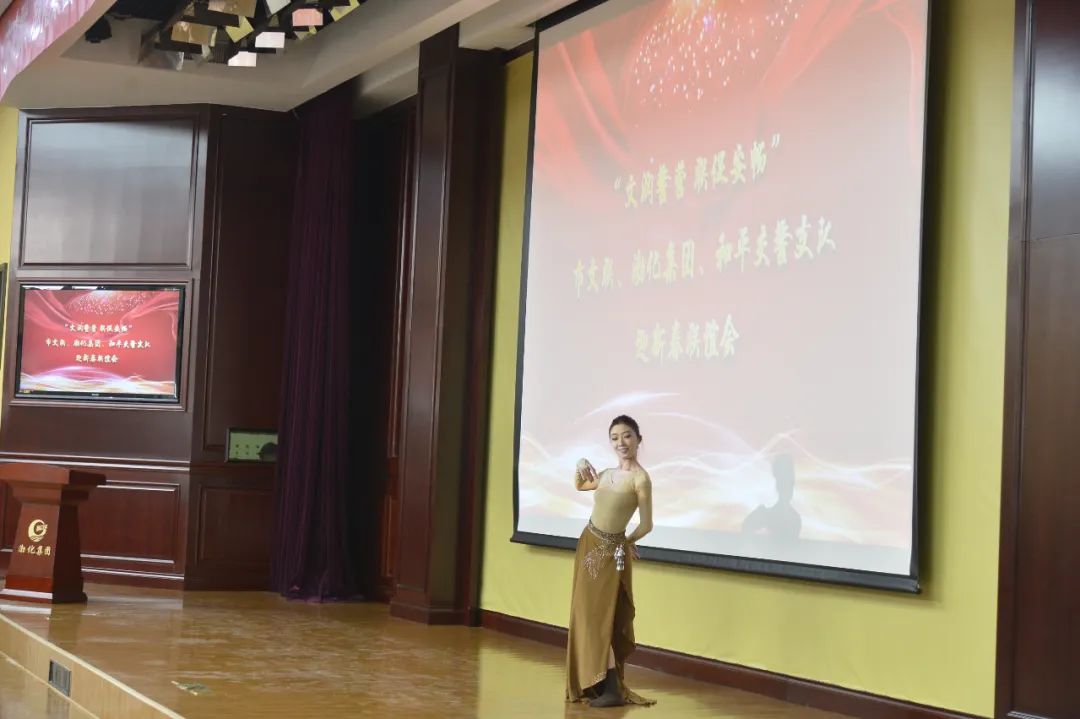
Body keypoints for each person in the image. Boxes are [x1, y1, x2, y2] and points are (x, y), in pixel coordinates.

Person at [565, 414, 656, 708]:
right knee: (585, 614)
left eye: (627, 435)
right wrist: (580, 463)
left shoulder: (641, 479)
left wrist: (625, 542)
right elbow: (581, 485)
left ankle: (612, 687)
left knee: (601, 617)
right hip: (588, 544)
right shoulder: (606, 474)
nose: (621, 442)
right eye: (615, 437)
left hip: (610, 552)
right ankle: (600, 683)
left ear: (638, 439)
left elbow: (646, 525)